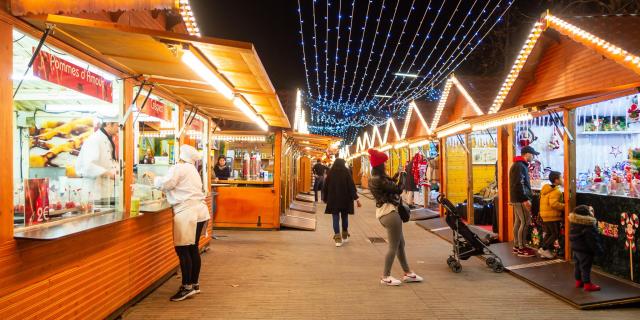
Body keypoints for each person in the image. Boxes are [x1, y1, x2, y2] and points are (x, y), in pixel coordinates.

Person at [153, 145, 210, 301]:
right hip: (199, 211)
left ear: (180, 157)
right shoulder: (192, 170)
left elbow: (166, 184)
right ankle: (194, 284)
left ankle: (187, 287)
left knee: (183, 250)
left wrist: (154, 178)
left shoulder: (179, 167)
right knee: (192, 248)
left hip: (187, 212)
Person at [368, 149, 423, 286]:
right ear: (380, 165)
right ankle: (385, 276)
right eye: (384, 162)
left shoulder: (375, 178)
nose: (386, 164)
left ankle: (408, 272)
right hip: (390, 213)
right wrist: (404, 177)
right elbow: (398, 189)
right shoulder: (379, 179)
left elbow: (388, 185)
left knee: (400, 244)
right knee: (393, 246)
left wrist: (396, 175)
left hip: (385, 213)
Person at [75, 116, 119, 205]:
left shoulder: (108, 139)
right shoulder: (94, 139)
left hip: (105, 191)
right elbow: (88, 166)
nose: (119, 128)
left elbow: (109, 162)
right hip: (94, 192)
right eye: (117, 125)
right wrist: (109, 174)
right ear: (108, 124)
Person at [322, 158, 361, 247]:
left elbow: (325, 186)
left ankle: (337, 239)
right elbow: (351, 186)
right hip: (345, 200)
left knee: (335, 218)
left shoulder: (331, 173)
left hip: (333, 200)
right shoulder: (346, 172)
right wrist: (356, 199)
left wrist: (325, 198)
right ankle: (344, 235)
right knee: (344, 217)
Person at [509, 145, 538, 257]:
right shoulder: (520, 166)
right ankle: (522, 248)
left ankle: (517, 246)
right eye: (533, 154)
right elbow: (519, 183)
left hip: (516, 198)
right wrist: (525, 199)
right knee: (525, 222)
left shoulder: (518, 165)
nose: (534, 157)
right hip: (521, 199)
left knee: (518, 222)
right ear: (527, 154)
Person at [569, 205, 603, 292]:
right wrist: (598, 251)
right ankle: (587, 284)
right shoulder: (588, 225)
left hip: (576, 248)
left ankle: (578, 282)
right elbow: (592, 241)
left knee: (577, 265)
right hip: (585, 250)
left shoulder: (574, 223)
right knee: (585, 267)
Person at [538, 171, 564, 259]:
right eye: (561, 177)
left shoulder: (546, 189)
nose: (563, 179)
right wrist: (566, 206)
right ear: (556, 180)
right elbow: (554, 204)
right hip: (552, 215)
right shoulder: (556, 191)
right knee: (555, 234)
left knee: (549, 233)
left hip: (545, 215)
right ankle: (543, 248)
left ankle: (544, 251)